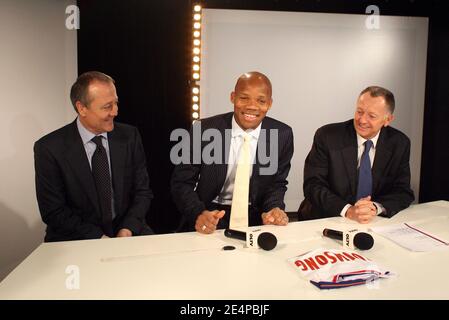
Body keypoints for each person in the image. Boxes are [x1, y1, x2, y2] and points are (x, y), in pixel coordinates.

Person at [34, 71, 154, 241]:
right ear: (82, 108)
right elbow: (53, 211)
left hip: (125, 230)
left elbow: (143, 192)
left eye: (116, 103)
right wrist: (99, 238)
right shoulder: (49, 148)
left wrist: (127, 229)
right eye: (107, 107)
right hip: (76, 236)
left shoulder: (129, 136)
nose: (115, 112)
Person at [171, 71, 294, 234]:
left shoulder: (282, 134)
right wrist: (198, 213)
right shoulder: (203, 129)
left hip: (256, 216)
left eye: (261, 100)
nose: (252, 106)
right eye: (244, 98)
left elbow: (277, 183)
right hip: (210, 212)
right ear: (232, 97)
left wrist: (273, 208)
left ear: (269, 104)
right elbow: (181, 182)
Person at [298, 86, 414, 224]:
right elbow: (313, 185)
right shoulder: (327, 136)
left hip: (372, 221)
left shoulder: (399, 143)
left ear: (387, 119)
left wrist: (374, 208)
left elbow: (402, 191)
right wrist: (348, 210)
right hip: (326, 218)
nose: (362, 120)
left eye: (371, 116)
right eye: (359, 112)